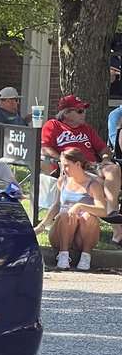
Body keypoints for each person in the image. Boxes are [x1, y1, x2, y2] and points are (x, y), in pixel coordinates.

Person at [41, 94, 121, 243]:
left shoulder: (86, 129)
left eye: (84, 111)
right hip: (72, 170)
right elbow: (44, 148)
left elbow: (103, 148)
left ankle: (111, 211)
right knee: (102, 182)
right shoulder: (53, 125)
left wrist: (104, 159)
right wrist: (63, 161)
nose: (83, 114)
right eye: (79, 111)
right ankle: (118, 231)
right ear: (66, 113)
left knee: (113, 169)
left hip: (91, 166)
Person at [34, 148, 108, 271]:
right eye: (62, 166)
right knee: (65, 214)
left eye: (67, 166)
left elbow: (103, 210)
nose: (64, 170)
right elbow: (56, 205)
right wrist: (41, 226)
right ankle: (63, 254)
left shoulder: (93, 184)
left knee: (89, 217)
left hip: (82, 234)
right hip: (62, 231)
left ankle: (86, 255)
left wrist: (80, 206)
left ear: (78, 164)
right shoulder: (62, 181)